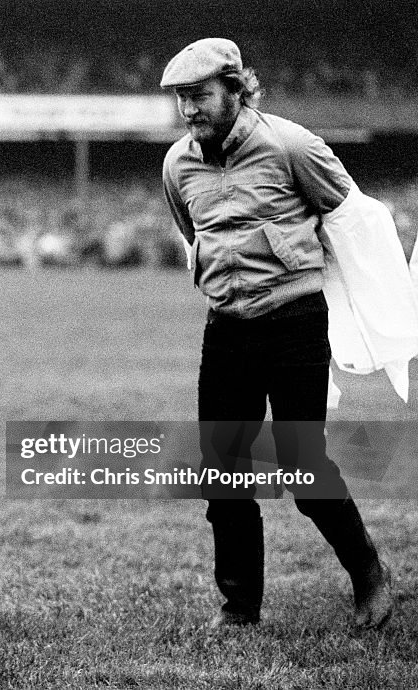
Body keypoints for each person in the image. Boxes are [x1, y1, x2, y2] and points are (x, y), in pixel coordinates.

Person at [160, 38, 393, 629]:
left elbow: (352, 220)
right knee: (223, 475)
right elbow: (194, 234)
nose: (190, 111)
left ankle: (369, 573)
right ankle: (240, 608)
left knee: (302, 467)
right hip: (227, 331)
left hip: (295, 325)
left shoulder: (293, 146)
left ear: (237, 91)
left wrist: (375, 307)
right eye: (181, 100)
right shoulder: (176, 165)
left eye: (201, 96)